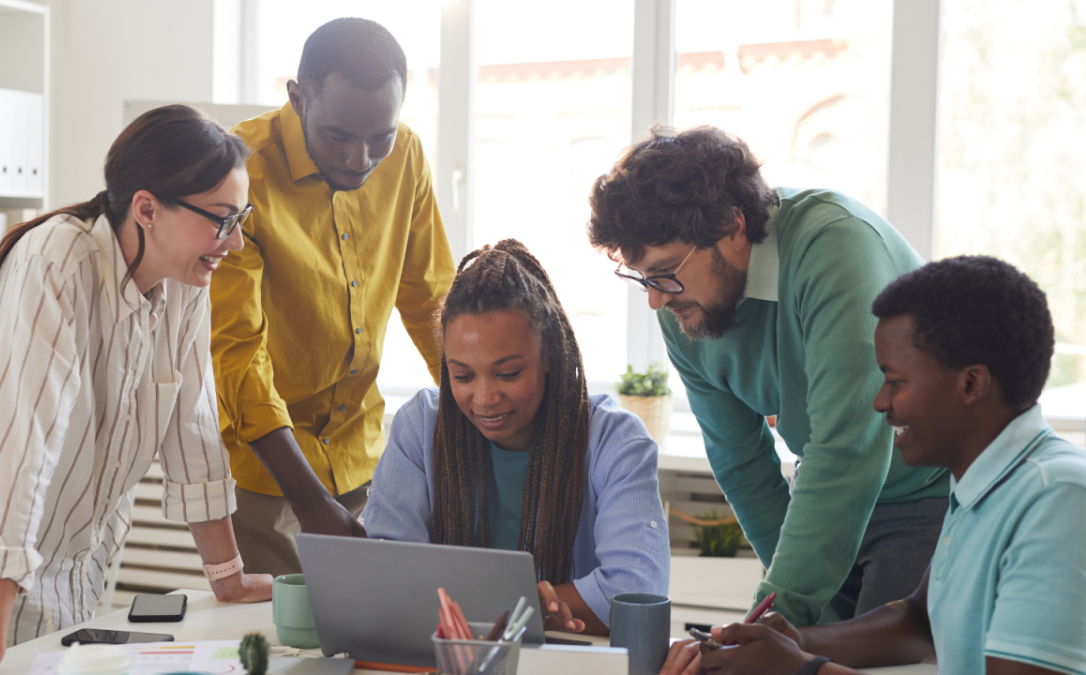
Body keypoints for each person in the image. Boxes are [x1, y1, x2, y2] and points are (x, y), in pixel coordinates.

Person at [0, 105, 272, 675]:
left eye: (240, 217)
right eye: (221, 220)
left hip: (69, 572)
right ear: (147, 208)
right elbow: (18, 449)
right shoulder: (57, 263)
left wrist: (230, 580)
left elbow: (192, 432)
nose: (236, 241)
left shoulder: (185, 280)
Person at [588, 126, 949, 626]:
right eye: (643, 278)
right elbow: (740, 461)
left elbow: (847, 446)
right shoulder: (678, 304)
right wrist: (780, 617)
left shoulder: (835, 246)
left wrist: (777, 620)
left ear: (734, 229)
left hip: (923, 493)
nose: (655, 298)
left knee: (870, 664)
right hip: (824, 493)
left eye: (667, 271)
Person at [660, 255, 1086, 675]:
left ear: (971, 384)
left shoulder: (1057, 498)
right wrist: (796, 640)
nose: (880, 402)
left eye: (895, 382)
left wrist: (804, 669)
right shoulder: (985, 483)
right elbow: (920, 621)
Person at [210, 17, 455, 577]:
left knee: (372, 644)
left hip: (365, 458)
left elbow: (431, 301)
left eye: (380, 137)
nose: (359, 159)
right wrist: (307, 497)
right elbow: (237, 351)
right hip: (266, 471)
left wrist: (483, 413)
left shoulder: (408, 155)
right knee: (277, 648)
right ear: (297, 97)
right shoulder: (238, 169)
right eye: (339, 136)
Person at [363, 240, 670, 636]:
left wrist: (504, 608)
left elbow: (635, 594)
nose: (485, 398)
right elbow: (384, 576)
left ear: (549, 358)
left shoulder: (615, 442)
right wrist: (533, 606)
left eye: (507, 373)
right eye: (462, 376)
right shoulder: (421, 428)